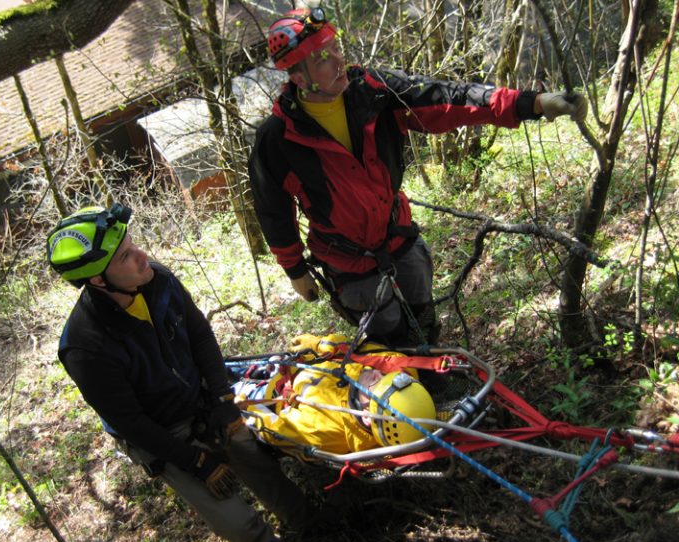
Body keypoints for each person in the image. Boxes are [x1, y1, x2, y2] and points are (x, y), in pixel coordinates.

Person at [249, 6, 588, 347]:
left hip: (398, 234)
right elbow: (273, 211)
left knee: (423, 317)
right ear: (299, 79)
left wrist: (532, 104)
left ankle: (434, 374)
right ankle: (408, 385)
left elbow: (446, 99)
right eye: (323, 58)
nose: (338, 61)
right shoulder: (277, 139)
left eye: (336, 47)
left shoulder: (374, 92)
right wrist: (295, 270)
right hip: (347, 260)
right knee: (389, 336)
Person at [46, 203, 312, 542]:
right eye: (126, 256)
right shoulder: (86, 347)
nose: (142, 256)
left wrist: (222, 399)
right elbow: (131, 423)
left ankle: (311, 527)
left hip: (202, 399)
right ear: (97, 281)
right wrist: (196, 462)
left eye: (132, 243)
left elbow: (200, 334)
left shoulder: (159, 281)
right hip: (162, 434)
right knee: (237, 519)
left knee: (261, 469)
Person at [232, 333, 437, 456]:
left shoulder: (325, 432)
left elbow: (272, 428)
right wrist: (322, 344)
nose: (377, 372)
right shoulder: (399, 376)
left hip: (264, 392)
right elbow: (365, 349)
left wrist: (244, 405)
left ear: (367, 416)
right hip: (290, 365)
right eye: (384, 375)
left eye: (376, 381)